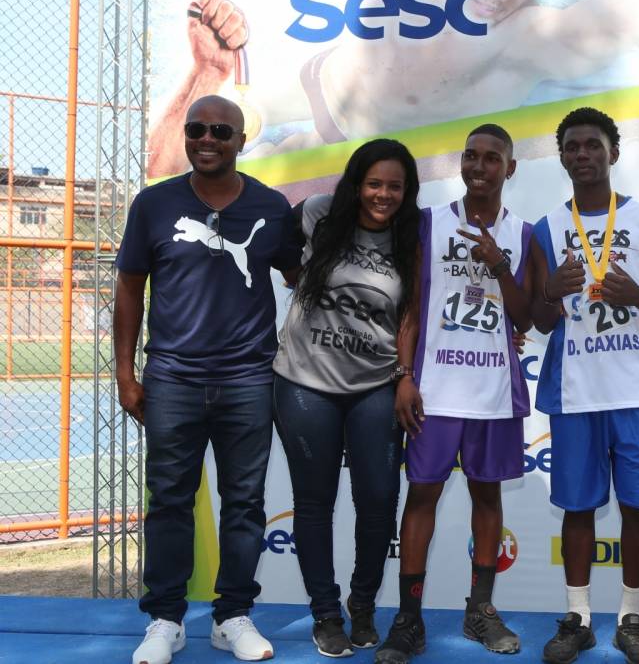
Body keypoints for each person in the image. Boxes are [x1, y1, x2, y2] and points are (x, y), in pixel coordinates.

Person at [115, 94, 301, 664]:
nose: (207, 139)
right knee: (169, 501)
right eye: (197, 128)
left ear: (242, 140)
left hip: (249, 380)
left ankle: (232, 617)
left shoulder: (271, 207)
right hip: (172, 379)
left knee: (243, 503)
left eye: (221, 130)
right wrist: (125, 373)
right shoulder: (154, 204)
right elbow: (129, 289)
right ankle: (166, 621)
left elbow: (303, 278)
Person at [147, 0, 639, 177]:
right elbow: (162, 173)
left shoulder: (540, 35)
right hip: (321, 88)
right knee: (202, 163)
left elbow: (631, 22)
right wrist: (209, 72)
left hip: (379, 152)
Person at [375, 124, 534, 664]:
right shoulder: (429, 223)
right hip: (435, 390)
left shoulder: (524, 233)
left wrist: (499, 265)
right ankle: (409, 618)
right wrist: (404, 374)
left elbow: (525, 317)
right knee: (422, 496)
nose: (478, 166)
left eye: (491, 158)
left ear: (510, 168)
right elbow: (412, 307)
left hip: (492, 391)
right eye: (470, 156)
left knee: (487, 497)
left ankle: (480, 610)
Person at [529, 106, 639, 664]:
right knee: (578, 509)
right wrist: (549, 291)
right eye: (572, 147)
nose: (583, 154)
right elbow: (541, 321)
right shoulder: (546, 229)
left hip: (635, 391)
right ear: (562, 157)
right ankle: (579, 618)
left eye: (593, 144)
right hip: (575, 392)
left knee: (637, 508)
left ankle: (631, 618)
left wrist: (638, 297)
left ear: (613, 152)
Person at [270, 138, 422, 658]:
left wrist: (404, 374)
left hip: (375, 385)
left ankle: (362, 606)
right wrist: (294, 275)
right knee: (314, 503)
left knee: (378, 501)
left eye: (394, 186)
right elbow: (272, 243)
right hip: (304, 382)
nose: (383, 195)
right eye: (374, 184)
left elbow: (411, 312)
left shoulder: (411, 235)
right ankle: (326, 615)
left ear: (407, 191)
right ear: (357, 184)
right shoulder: (317, 213)